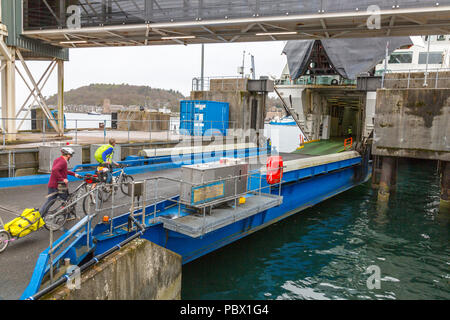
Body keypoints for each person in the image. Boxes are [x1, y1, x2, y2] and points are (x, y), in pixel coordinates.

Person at [40, 147, 82, 218]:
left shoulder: (58, 159)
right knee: (65, 201)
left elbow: (63, 170)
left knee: (51, 201)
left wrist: (74, 174)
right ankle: (67, 216)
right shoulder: (63, 162)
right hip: (60, 185)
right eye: (71, 155)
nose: (71, 157)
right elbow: (54, 170)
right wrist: (62, 179)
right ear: (68, 155)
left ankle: (40, 216)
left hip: (52, 184)